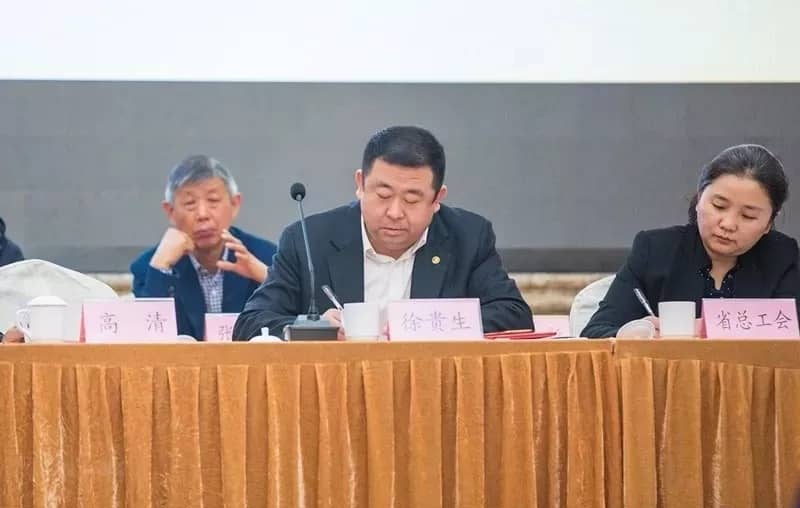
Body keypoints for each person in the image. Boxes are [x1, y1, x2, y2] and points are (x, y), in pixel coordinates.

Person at [233, 125, 533, 340]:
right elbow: (251, 323)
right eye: (383, 194)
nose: (394, 212)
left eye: (412, 199)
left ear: (437, 199)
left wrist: (418, 326)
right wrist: (313, 328)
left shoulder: (468, 236)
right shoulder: (309, 240)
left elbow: (514, 315)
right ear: (360, 184)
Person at [582, 144, 800, 338]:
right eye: (719, 206)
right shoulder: (655, 249)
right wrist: (631, 333)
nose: (728, 224)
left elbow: (791, 330)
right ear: (699, 199)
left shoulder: (783, 257)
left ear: (769, 222)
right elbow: (596, 332)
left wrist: (698, 329)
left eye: (748, 216)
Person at [131, 155, 276, 340]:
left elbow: (296, 324)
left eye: (213, 200)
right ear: (170, 211)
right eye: (190, 204)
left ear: (234, 204)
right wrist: (160, 267)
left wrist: (265, 276)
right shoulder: (150, 268)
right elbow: (143, 339)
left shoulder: (268, 257)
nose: (202, 214)